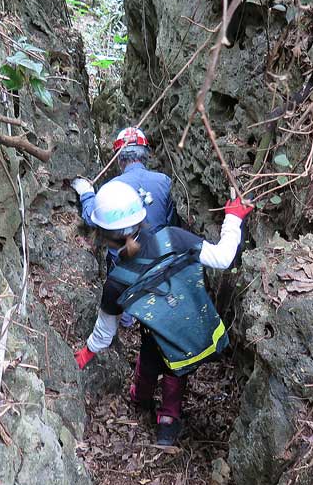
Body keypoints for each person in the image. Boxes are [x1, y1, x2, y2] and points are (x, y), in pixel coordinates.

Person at [73, 180, 253, 446]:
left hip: (153, 336)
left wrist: (85, 354)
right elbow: (223, 258)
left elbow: (105, 333)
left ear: (104, 235)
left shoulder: (116, 282)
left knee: (148, 362)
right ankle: (168, 421)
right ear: (142, 216)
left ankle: (140, 399)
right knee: (175, 368)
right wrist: (233, 218)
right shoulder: (174, 237)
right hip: (191, 331)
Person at [72, 126, 176, 327]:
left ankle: (127, 318)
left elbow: (93, 218)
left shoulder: (112, 187)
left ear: (119, 159)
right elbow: (170, 220)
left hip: (124, 263)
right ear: (145, 155)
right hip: (159, 257)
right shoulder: (164, 182)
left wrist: (86, 193)